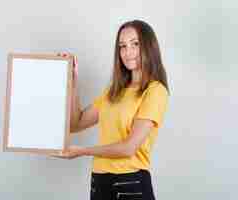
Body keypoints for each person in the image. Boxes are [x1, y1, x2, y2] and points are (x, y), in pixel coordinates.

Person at [54, 20, 169, 200]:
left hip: (130, 183)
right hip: (99, 182)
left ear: (149, 46)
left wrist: (82, 151)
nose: (127, 52)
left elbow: (128, 148)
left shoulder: (155, 91)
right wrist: (72, 82)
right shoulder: (113, 91)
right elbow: (75, 124)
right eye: (122, 46)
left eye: (135, 44)